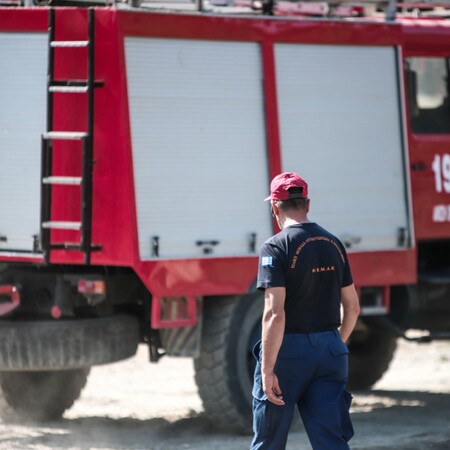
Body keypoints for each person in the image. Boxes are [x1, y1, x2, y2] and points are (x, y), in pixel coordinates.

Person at [250, 172, 360, 450]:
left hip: (288, 352)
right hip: (330, 349)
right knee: (332, 441)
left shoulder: (275, 247)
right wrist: (336, 342)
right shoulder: (334, 243)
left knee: (269, 441)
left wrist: (267, 369)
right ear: (307, 204)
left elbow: (275, 313)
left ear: (275, 207)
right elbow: (353, 306)